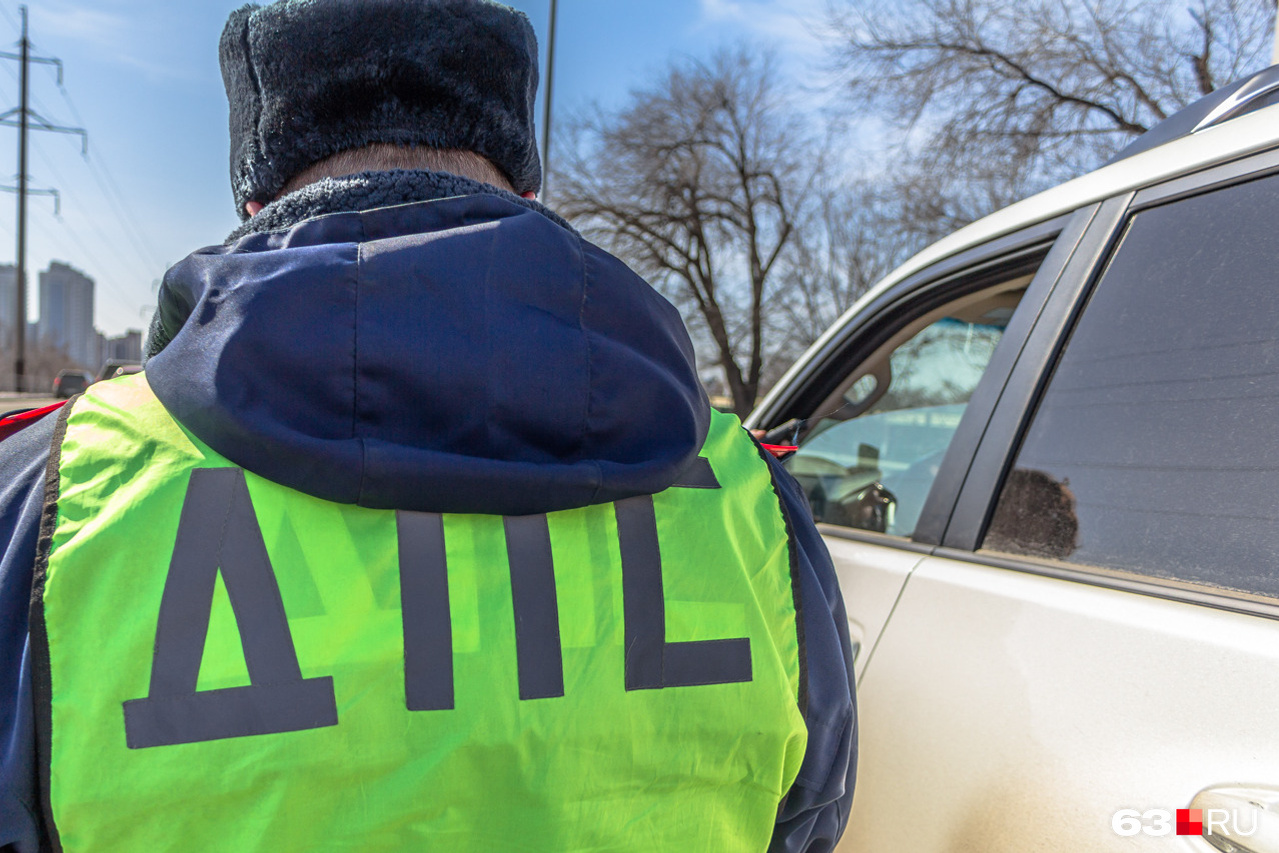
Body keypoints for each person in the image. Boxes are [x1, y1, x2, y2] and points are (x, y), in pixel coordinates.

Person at [0, 1, 856, 849]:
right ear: (524, 191)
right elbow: (804, 816)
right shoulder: (751, 502)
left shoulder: (58, 493)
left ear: (256, 201)